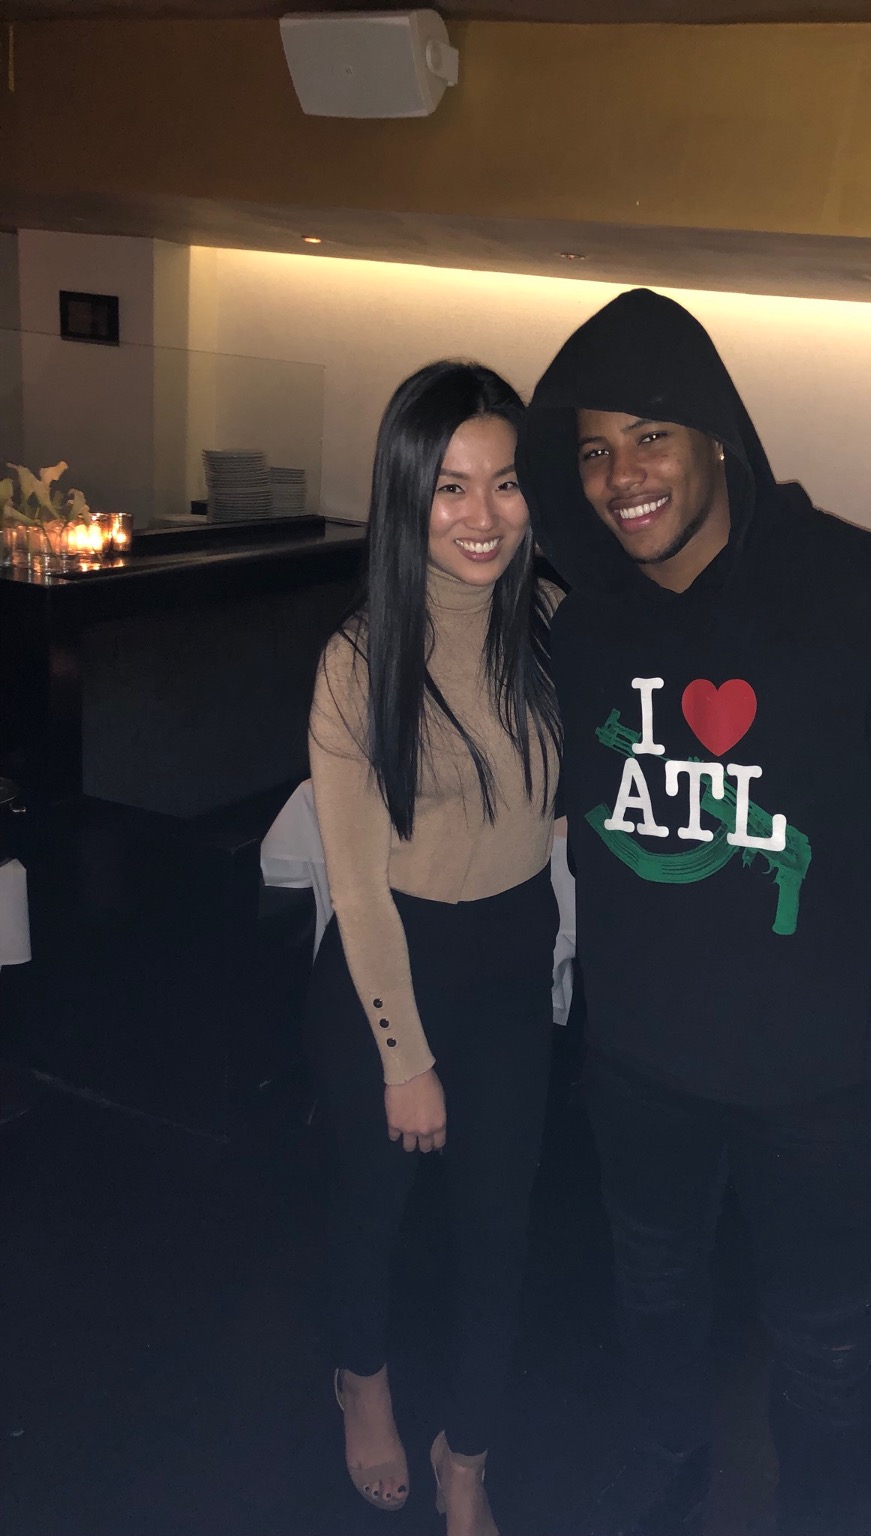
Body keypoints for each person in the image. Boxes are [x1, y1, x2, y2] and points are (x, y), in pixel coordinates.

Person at [517, 289, 871, 1534]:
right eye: (593, 450)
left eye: (650, 435)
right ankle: (665, 1466)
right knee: (652, 1296)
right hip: (639, 1061)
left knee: (828, 1342)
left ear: (717, 435)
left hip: (816, 1072)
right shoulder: (591, 628)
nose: (621, 476)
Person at [305, 361, 561, 1534]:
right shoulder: (360, 660)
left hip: (512, 963)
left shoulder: (552, 627)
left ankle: (469, 1455)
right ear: (405, 497)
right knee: (372, 1211)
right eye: (450, 487)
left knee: (499, 1233)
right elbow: (356, 885)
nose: (481, 516)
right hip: (389, 966)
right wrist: (403, 1056)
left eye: (505, 483)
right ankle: (361, 1379)